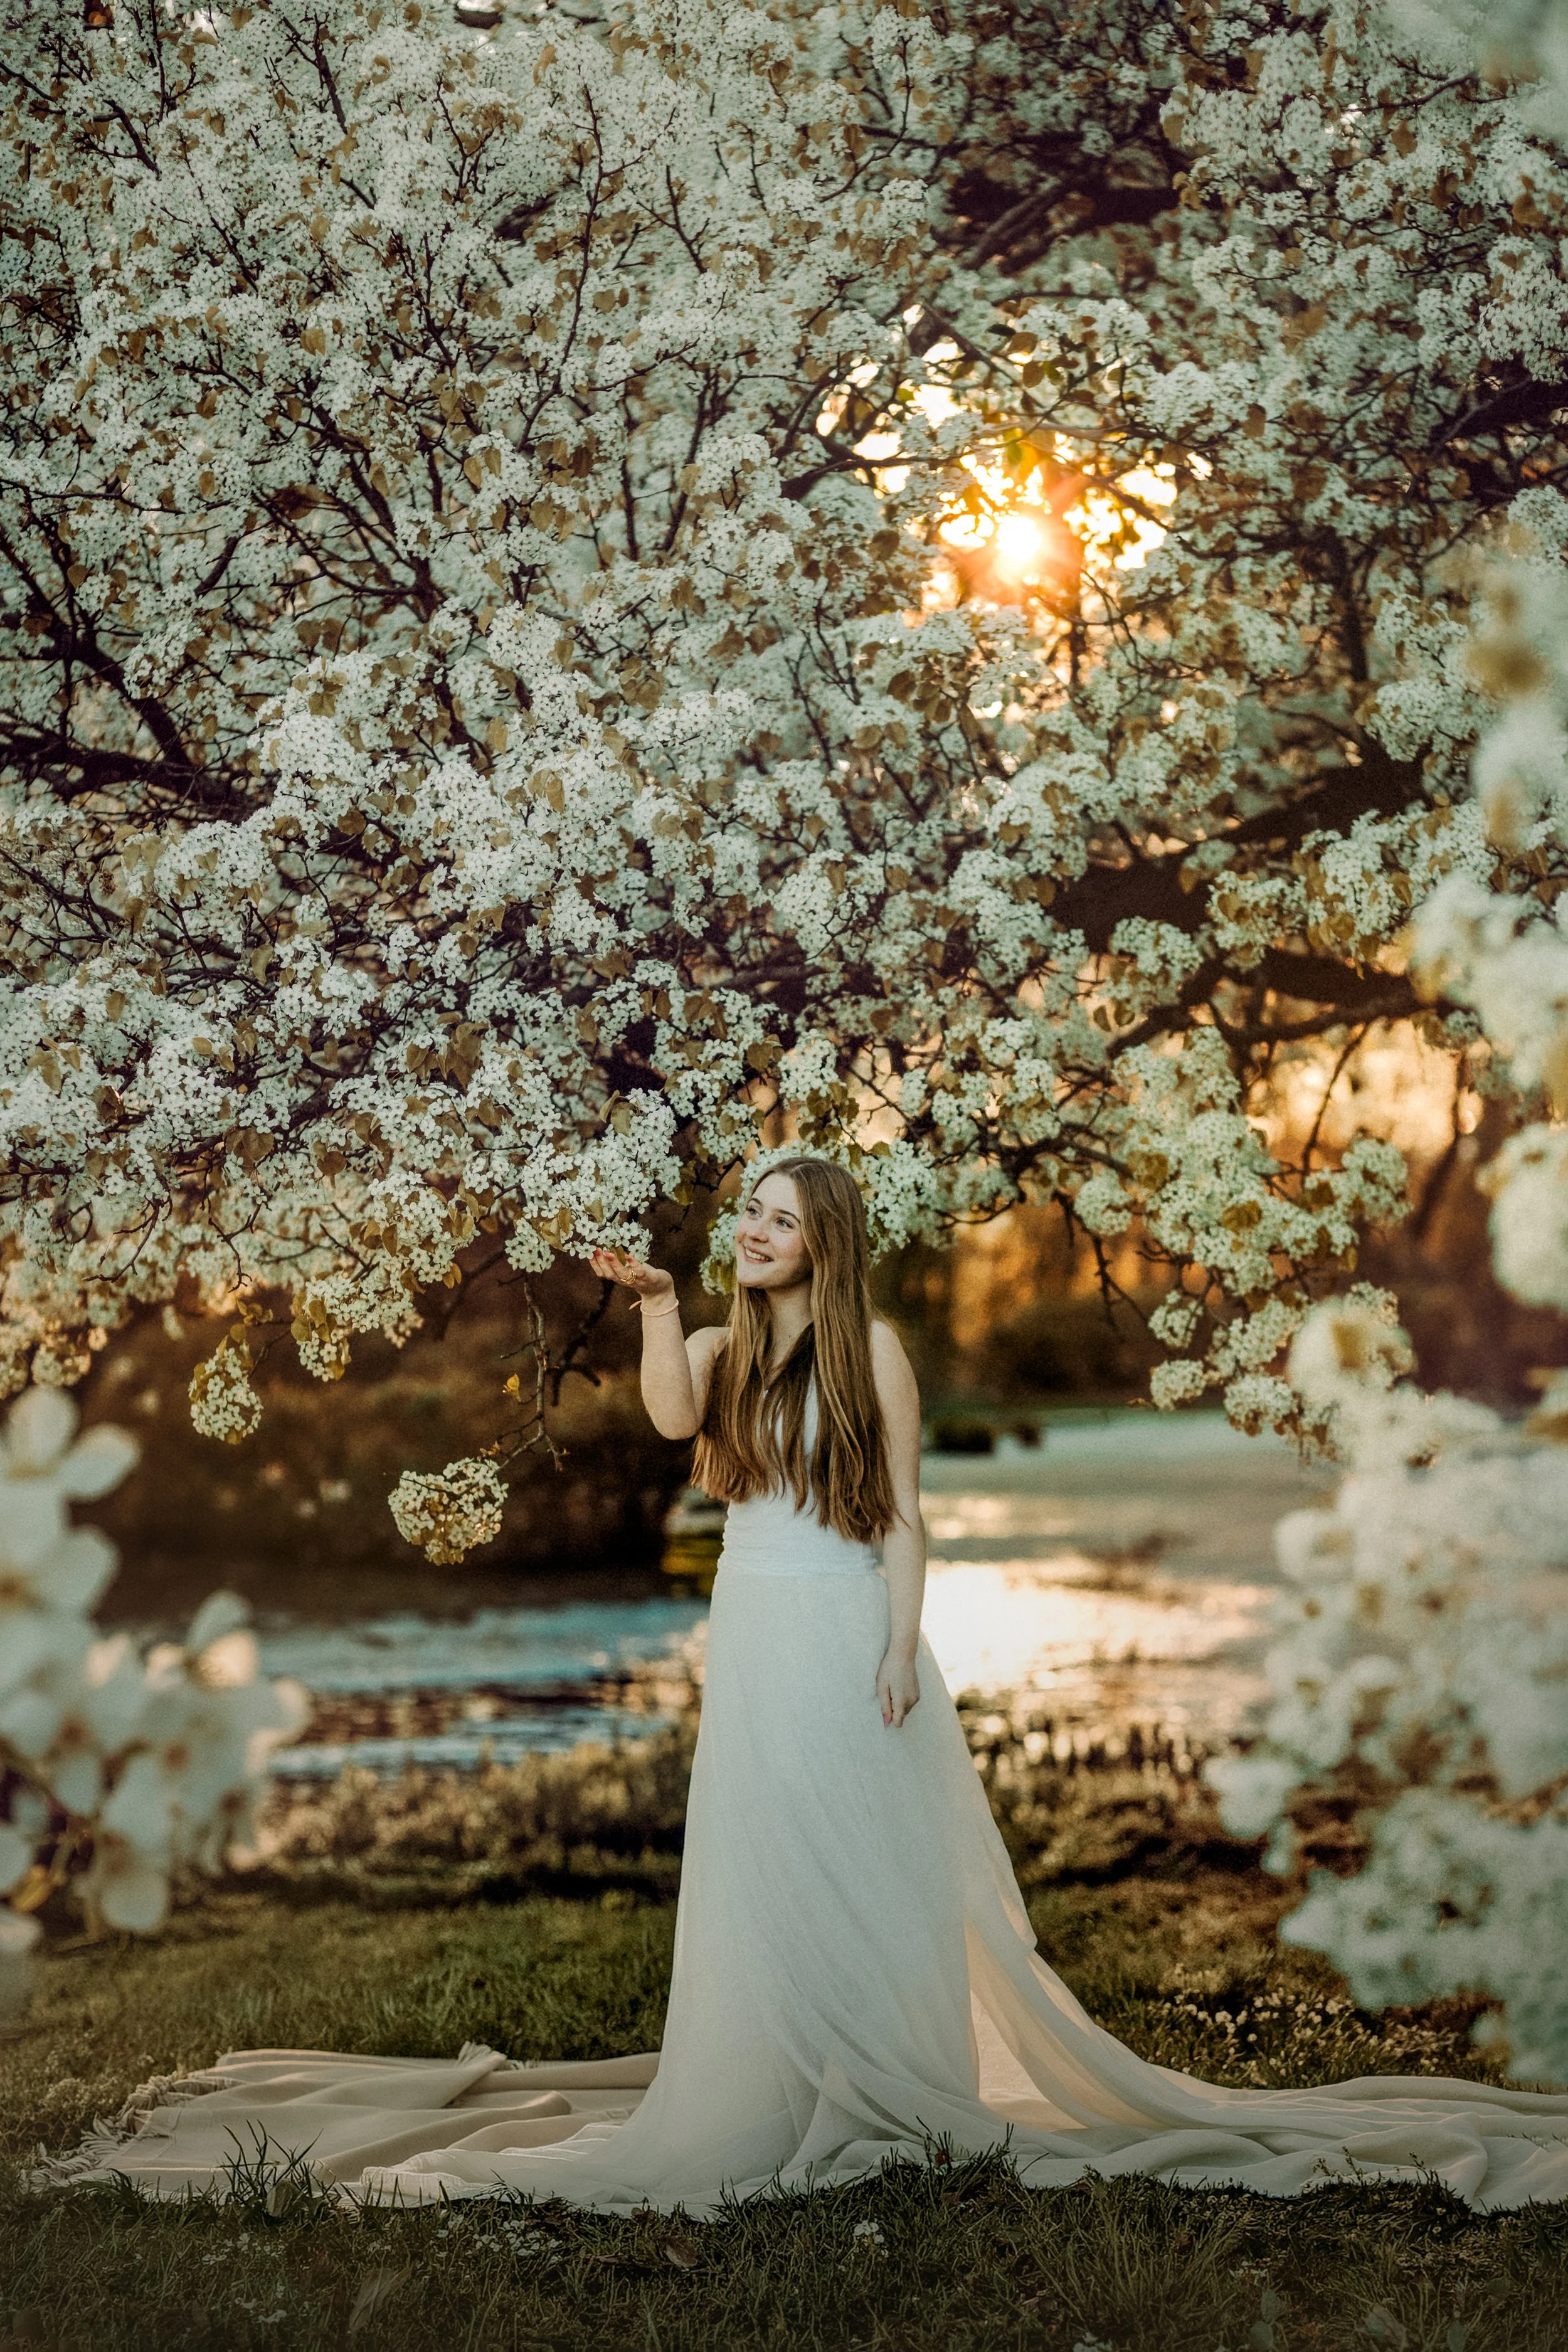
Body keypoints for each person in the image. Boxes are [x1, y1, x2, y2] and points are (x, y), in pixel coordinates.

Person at [51, 1157, 1568, 2212]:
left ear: (822, 1236)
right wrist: (654, 1303)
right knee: (768, 1858)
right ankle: (771, 2070)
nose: (755, 1234)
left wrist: (902, 1644)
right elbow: (661, 1422)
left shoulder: (877, 1353)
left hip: (847, 1621)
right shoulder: (712, 1342)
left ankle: (897, 2069)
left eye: (778, 1220)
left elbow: (904, 1513)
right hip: (754, 1625)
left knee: (871, 1855)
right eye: (748, 1219)